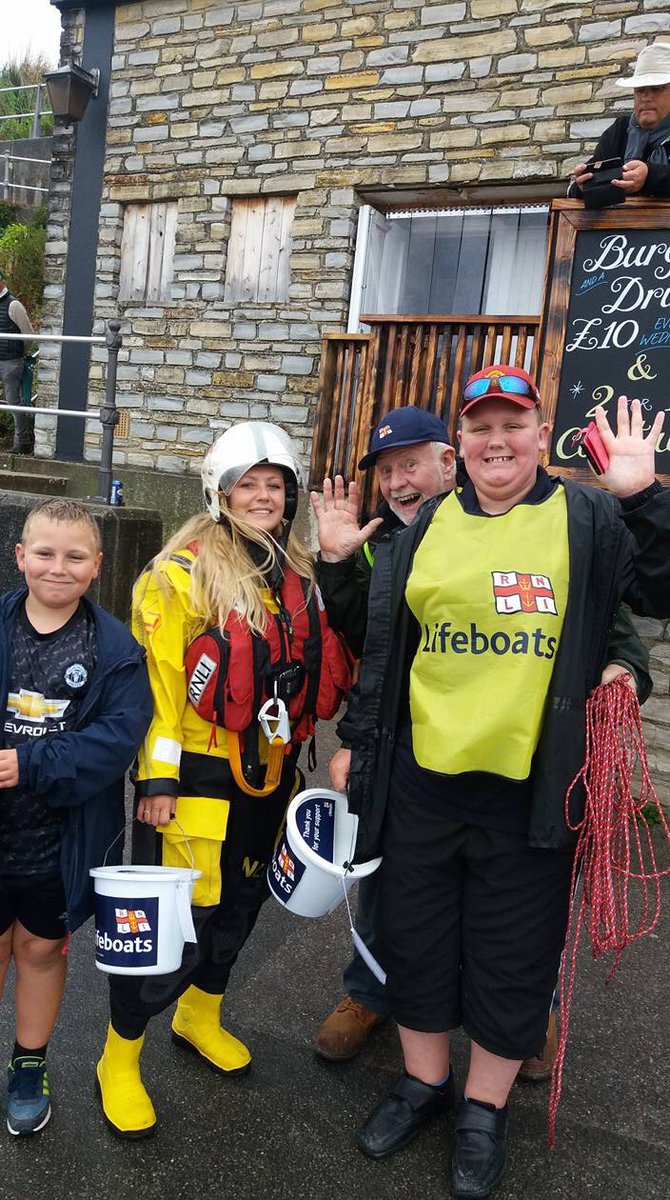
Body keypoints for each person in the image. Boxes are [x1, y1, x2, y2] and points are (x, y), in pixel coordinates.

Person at [330, 367, 669, 1199]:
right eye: (480, 426)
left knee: (513, 963)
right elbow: (379, 645)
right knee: (417, 945)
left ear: (539, 429)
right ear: (462, 445)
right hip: (423, 787)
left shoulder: (585, 516)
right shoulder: (427, 525)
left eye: (512, 423)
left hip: (533, 794)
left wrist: (642, 498)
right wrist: (341, 567)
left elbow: (651, 598)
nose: (496, 441)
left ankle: (483, 1111)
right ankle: (422, 1085)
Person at [95, 421, 352, 1140]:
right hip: (194, 779)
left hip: (271, 775)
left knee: (241, 903)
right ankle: (119, 1057)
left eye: (276, 486)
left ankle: (199, 1013)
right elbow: (160, 693)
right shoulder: (179, 574)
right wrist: (156, 783)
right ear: (220, 490)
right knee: (172, 924)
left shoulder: (297, 573)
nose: (264, 496)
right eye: (251, 484)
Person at [0, 498, 152, 1137]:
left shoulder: (115, 648)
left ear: (97, 566)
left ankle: (30, 1062)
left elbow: (117, 739)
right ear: (20, 557)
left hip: (57, 839)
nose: (57, 568)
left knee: (38, 947)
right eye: (44, 553)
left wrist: (27, 763)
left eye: (75, 556)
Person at [571, 39, 670, 199]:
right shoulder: (620, 131)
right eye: (639, 90)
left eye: (656, 88)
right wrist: (583, 186)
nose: (646, 97)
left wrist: (650, 175)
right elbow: (592, 185)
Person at [0, 268, 35, 455]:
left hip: (11, 361)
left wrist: (20, 353)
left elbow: (28, 335)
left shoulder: (14, 305)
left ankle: (23, 441)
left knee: (14, 402)